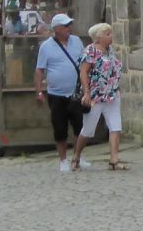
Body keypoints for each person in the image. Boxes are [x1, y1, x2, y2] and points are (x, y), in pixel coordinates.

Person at [33, 13, 85, 173]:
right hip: (56, 94)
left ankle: (78, 157)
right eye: (65, 25)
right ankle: (63, 160)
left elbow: (84, 64)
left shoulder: (77, 42)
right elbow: (40, 70)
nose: (69, 28)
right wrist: (39, 91)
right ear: (57, 29)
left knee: (80, 127)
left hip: (76, 92)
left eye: (70, 24)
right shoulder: (46, 47)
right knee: (60, 127)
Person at [72, 23, 125, 171]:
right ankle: (76, 156)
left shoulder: (110, 51)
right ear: (99, 37)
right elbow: (84, 72)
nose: (111, 36)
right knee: (88, 130)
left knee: (115, 126)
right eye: (108, 34)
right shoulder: (90, 51)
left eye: (110, 33)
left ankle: (114, 159)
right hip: (96, 96)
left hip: (112, 94)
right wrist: (87, 93)